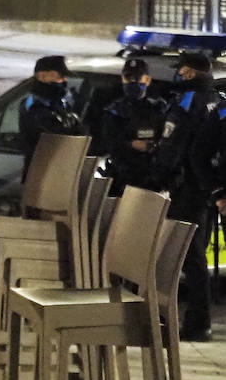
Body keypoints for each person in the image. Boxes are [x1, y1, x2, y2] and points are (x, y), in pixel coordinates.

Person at [157, 51, 220, 341]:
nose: (178, 74)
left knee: (183, 255)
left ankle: (191, 322)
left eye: (181, 70)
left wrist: (159, 175)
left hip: (186, 189)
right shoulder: (219, 102)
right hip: (208, 190)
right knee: (196, 256)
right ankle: (199, 320)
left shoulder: (186, 101)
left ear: (190, 72)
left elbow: (174, 147)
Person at [99, 56, 166, 196]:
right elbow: (109, 143)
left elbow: (171, 142)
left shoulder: (159, 109)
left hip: (152, 180)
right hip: (121, 180)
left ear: (147, 80)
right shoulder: (114, 111)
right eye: (128, 78)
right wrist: (130, 145)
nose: (132, 82)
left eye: (137, 78)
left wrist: (154, 147)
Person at [17, 55, 84, 182]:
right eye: (58, 76)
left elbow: (78, 131)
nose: (63, 80)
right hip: (40, 174)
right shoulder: (33, 104)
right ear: (43, 76)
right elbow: (54, 135)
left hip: (60, 172)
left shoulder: (60, 103)